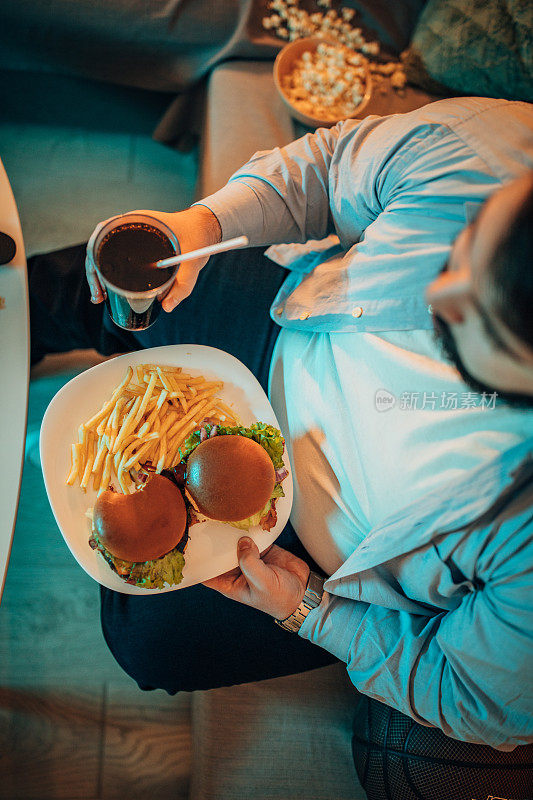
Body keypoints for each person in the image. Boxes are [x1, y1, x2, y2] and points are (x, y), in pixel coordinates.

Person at [30, 96, 533, 798]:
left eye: (463, 321)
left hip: (313, 545)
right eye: (465, 249)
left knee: (144, 644)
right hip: (285, 327)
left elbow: (474, 698)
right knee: (98, 284)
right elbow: (326, 171)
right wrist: (203, 222)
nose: (436, 288)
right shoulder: (498, 149)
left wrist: (306, 609)